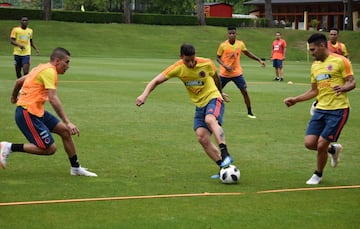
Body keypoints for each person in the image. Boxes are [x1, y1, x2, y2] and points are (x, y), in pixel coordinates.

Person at [136, 44, 233, 179]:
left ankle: (225, 153)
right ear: (181, 57)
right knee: (202, 137)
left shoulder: (207, 63)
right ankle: (224, 167)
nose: (191, 63)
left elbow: (216, 78)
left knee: (210, 120)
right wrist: (144, 95)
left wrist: (221, 93)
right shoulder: (177, 68)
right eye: (187, 60)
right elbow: (155, 81)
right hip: (199, 105)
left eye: (193, 59)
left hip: (213, 98)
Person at [0, 47, 97, 177]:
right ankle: (9, 147)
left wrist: (13, 97)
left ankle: (76, 168)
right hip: (27, 113)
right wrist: (67, 121)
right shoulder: (50, 72)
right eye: (66, 62)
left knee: (65, 132)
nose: (68, 66)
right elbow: (53, 98)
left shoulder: (40, 68)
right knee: (50, 149)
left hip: (36, 111)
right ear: (57, 61)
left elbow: (18, 82)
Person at [284, 33, 355, 185]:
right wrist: (295, 100)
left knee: (322, 143)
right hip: (320, 109)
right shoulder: (315, 66)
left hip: (338, 110)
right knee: (310, 143)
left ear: (322, 46)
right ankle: (333, 150)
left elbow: (352, 82)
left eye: (313, 49)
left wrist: (343, 88)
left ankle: (318, 174)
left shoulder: (341, 61)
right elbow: (314, 91)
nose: (312, 53)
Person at [216, 26, 265, 119]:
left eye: (233, 33)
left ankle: (250, 112)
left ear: (236, 34)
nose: (232, 35)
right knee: (216, 92)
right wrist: (225, 66)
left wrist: (259, 60)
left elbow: (248, 53)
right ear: (227, 35)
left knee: (245, 92)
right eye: (230, 33)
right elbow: (217, 58)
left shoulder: (240, 44)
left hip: (237, 73)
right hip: (224, 74)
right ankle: (214, 112)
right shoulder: (223, 45)